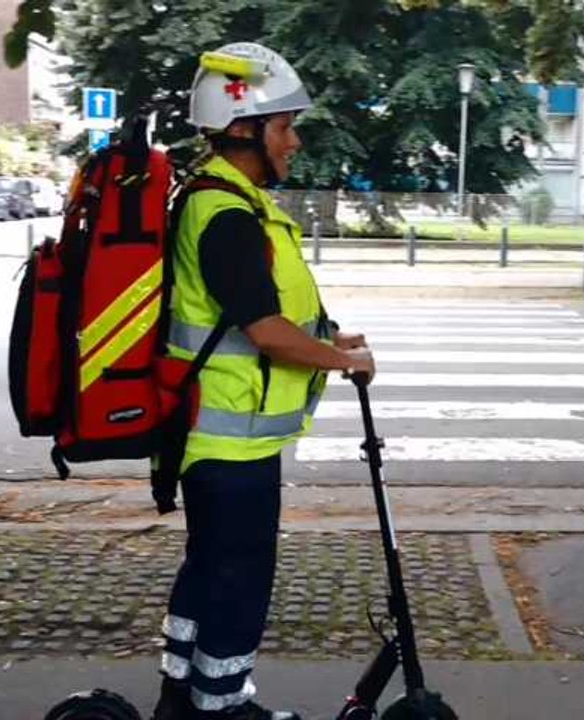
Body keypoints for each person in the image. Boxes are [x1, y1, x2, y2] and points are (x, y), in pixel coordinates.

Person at [151, 42, 375, 720]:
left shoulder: (224, 201)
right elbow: (264, 331)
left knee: (209, 569)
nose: (295, 141)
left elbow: (255, 313)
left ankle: (181, 698)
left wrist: (326, 338)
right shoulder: (224, 213)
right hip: (229, 442)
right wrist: (345, 363)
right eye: (284, 126)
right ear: (244, 129)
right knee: (238, 578)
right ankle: (220, 706)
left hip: (219, 438)